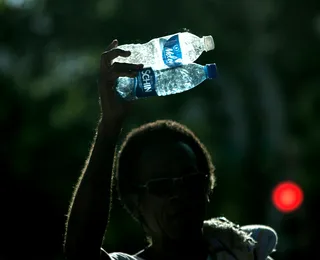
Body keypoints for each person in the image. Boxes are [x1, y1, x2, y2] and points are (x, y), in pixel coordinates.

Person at [63, 39, 278, 260]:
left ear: (207, 188)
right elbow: (80, 252)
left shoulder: (244, 253)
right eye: (162, 186)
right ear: (135, 204)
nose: (179, 195)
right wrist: (109, 126)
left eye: (190, 181)